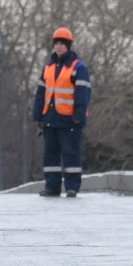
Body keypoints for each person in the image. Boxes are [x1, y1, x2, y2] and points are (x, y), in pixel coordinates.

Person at [33, 27, 91, 198]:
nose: (58, 47)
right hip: (50, 118)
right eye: (56, 44)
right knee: (50, 156)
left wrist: (78, 117)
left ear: (68, 46)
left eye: (62, 44)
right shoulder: (48, 67)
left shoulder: (78, 67)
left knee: (71, 154)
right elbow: (41, 93)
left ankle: (72, 187)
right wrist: (38, 116)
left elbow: (83, 94)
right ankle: (52, 187)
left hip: (69, 119)